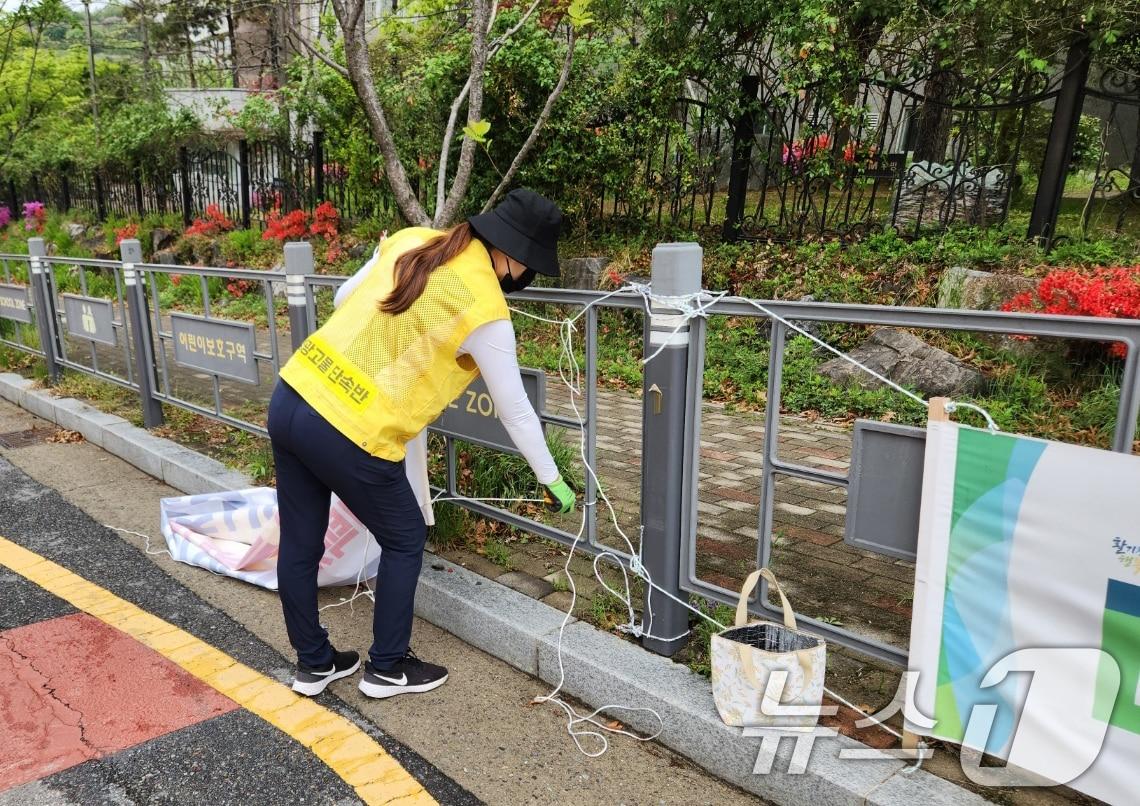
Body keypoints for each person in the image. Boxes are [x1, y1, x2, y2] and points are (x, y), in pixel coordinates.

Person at [268, 188, 576, 699]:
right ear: (515, 258)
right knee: (406, 536)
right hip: (351, 428)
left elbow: (346, 299)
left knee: (301, 542)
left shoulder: (414, 240)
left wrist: (375, 257)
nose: (526, 279)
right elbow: (516, 410)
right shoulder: (486, 310)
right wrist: (552, 479)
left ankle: (314, 663)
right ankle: (388, 667)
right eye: (530, 269)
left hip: (293, 393)